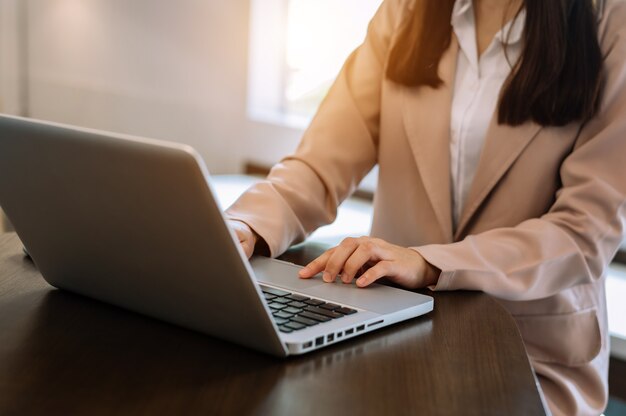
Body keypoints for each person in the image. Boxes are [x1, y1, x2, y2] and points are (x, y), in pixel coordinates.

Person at [226, 0, 626, 414]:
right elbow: (319, 165)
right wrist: (245, 225)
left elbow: (584, 232)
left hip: (531, 354)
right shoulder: (405, 10)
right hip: (394, 336)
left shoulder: (611, 20)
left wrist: (430, 263)